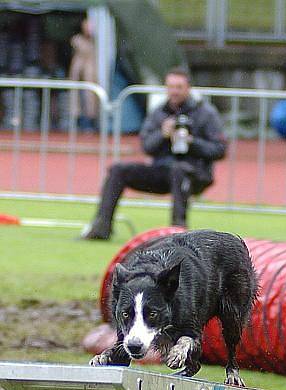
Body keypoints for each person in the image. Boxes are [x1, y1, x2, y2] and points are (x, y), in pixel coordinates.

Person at [82, 68, 227, 240]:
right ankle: (101, 227)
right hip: (162, 170)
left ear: (188, 88)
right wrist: (162, 135)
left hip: (195, 172)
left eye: (179, 87)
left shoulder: (206, 114)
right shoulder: (159, 113)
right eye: (171, 87)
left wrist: (191, 142)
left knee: (179, 170)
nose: (174, 91)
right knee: (118, 170)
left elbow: (220, 149)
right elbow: (147, 146)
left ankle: (178, 233)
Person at [68, 17, 98, 132]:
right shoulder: (77, 40)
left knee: (90, 100)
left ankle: (89, 122)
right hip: (78, 75)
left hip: (89, 76)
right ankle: (79, 122)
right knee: (78, 100)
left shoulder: (94, 42)